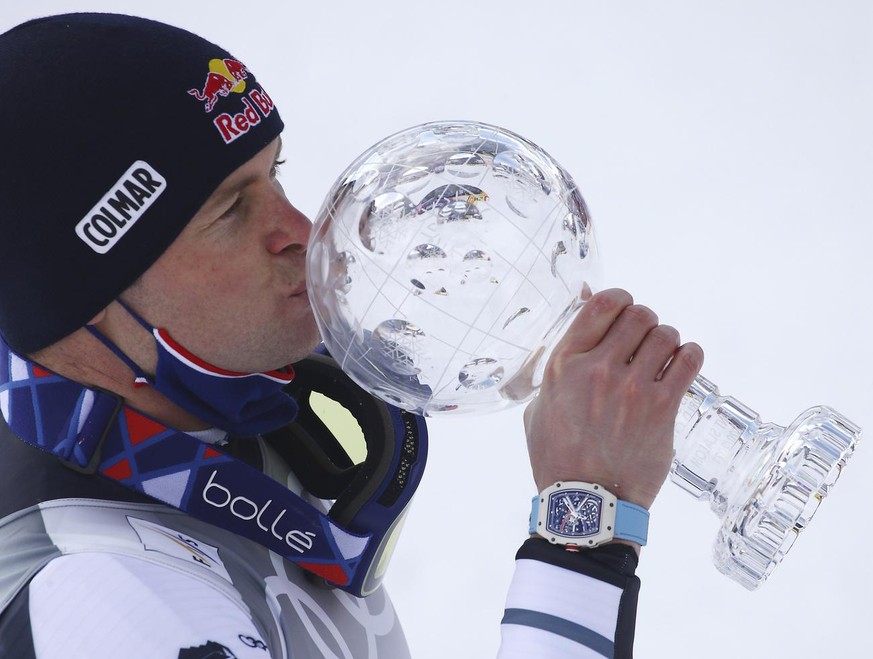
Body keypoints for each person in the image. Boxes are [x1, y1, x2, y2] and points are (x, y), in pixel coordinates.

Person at [0, 13, 703, 659]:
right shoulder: (99, 607)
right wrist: (583, 529)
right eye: (228, 213)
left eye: (272, 174)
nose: (301, 234)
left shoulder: (210, 416)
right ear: (86, 303)